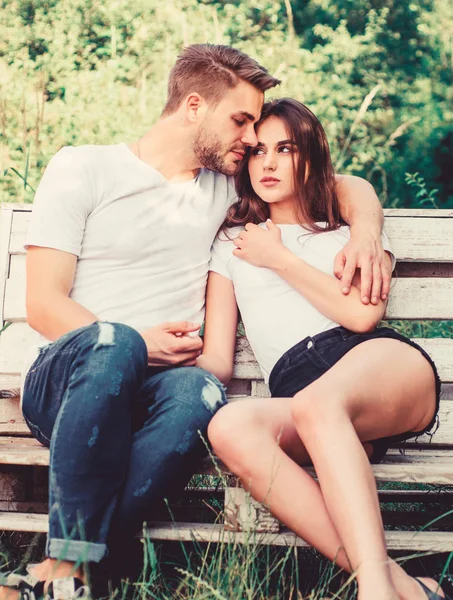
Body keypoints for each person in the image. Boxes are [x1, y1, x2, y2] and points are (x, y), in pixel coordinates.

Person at [3, 46, 391, 600]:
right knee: (113, 343)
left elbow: (341, 185)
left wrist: (367, 232)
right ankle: (65, 568)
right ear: (192, 106)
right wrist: (136, 345)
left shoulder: (225, 185)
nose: (249, 141)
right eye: (239, 121)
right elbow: (44, 304)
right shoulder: (83, 167)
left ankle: (81, 578)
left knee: (201, 390)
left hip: (162, 395)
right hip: (71, 383)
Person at [201, 98, 444, 600]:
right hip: (305, 393)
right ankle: (404, 588)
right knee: (228, 426)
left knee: (318, 403)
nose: (267, 163)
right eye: (258, 151)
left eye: (284, 149)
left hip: (378, 366)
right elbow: (218, 358)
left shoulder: (348, 230)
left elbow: (360, 315)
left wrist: (279, 258)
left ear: (308, 155)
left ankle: (372, 591)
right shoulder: (232, 241)